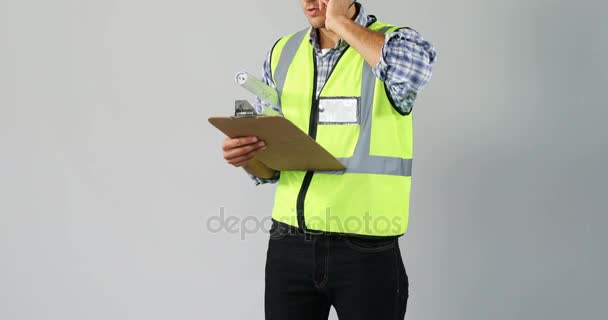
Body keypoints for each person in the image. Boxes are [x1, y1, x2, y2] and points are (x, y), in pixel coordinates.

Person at [221, 1, 436, 319]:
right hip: (289, 242)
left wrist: (340, 22)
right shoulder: (283, 52)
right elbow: (271, 171)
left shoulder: (397, 42)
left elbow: (413, 74)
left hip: (366, 245)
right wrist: (247, 156)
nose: (309, 3)